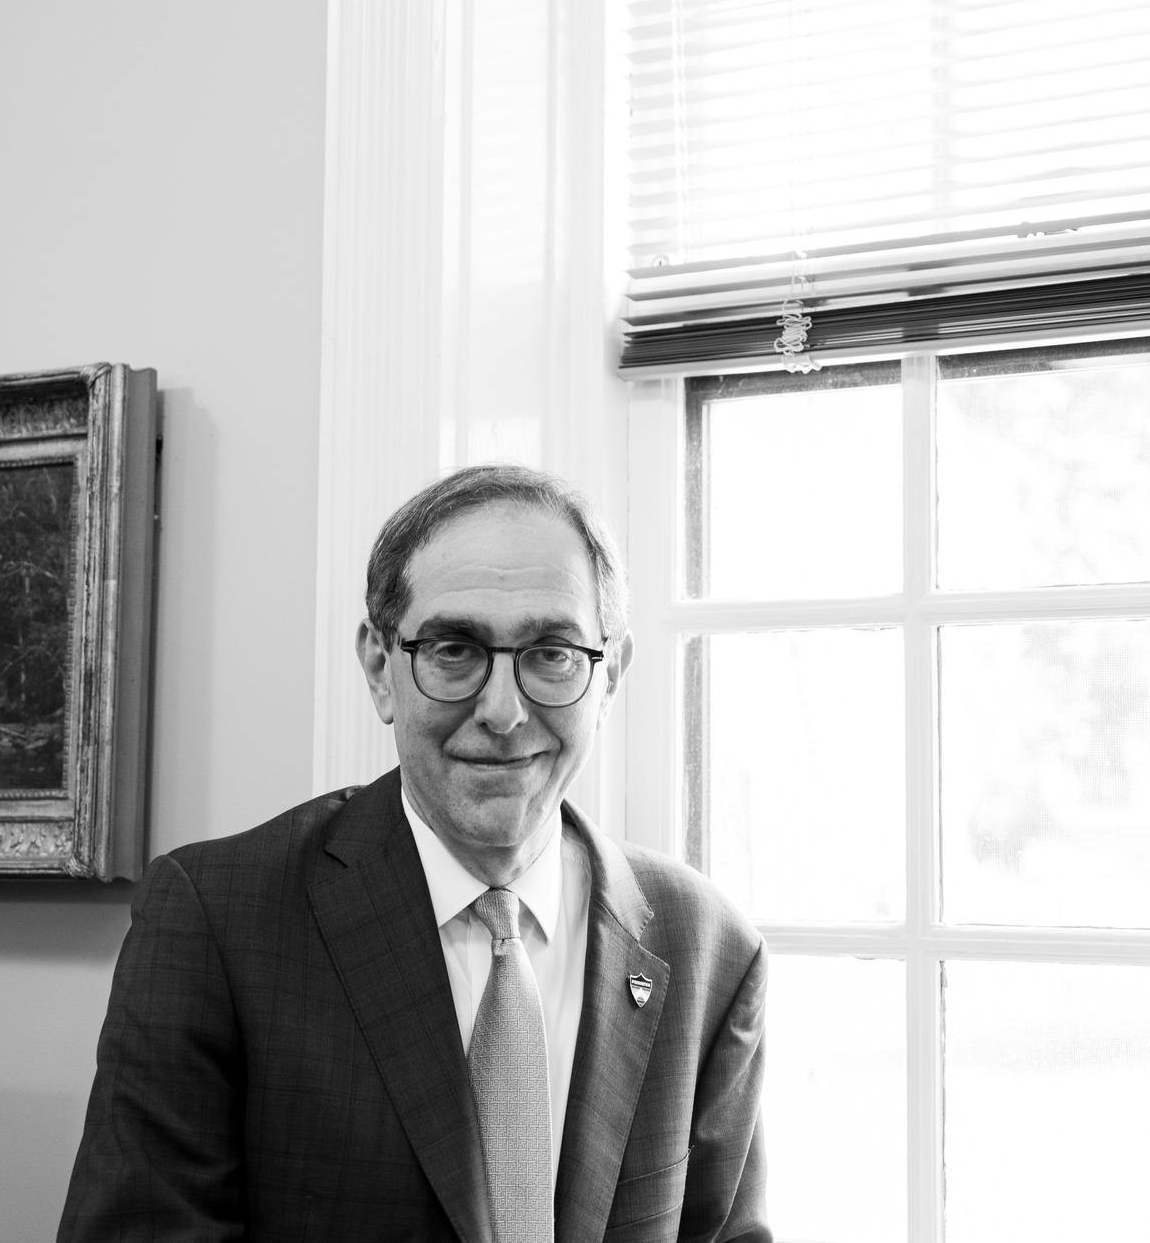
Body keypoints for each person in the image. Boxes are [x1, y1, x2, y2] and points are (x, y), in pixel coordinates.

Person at [60, 465, 769, 1242]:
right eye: (455, 648)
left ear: (611, 676)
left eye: (553, 652)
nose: (504, 712)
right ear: (378, 666)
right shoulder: (215, 919)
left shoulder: (708, 947)